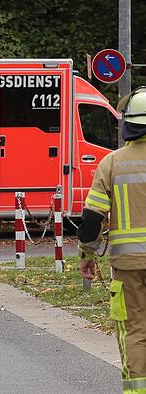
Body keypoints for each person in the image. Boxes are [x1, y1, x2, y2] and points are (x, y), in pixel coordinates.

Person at [79, 87, 146, 394]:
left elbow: (91, 218)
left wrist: (87, 256)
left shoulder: (112, 163)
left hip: (127, 265)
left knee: (134, 331)